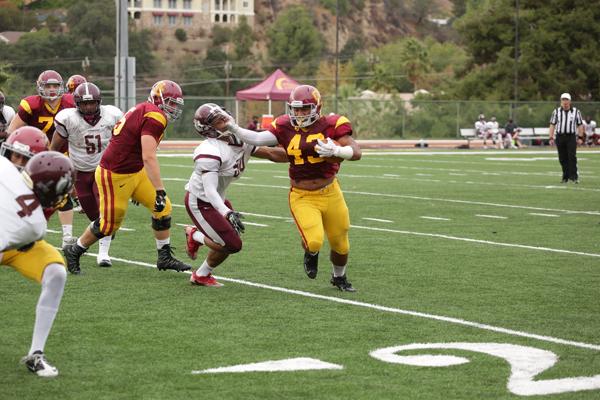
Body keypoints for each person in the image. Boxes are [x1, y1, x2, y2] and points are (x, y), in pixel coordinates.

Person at [217, 84, 362, 292]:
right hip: (302, 195)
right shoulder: (284, 126)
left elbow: (357, 152)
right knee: (313, 242)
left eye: (305, 109)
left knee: (341, 243)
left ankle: (339, 277)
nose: (300, 114)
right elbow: (258, 139)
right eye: (296, 109)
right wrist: (232, 128)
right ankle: (311, 253)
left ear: (317, 108)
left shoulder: (332, 123)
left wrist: (339, 150)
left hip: (331, 191)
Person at [62, 80, 191, 274]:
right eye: (170, 102)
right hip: (115, 174)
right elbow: (148, 155)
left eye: (175, 104)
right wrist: (159, 189)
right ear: (159, 98)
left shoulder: (146, 109)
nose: (173, 108)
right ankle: (75, 250)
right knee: (109, 224)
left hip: (134, 171)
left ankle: (164, 256)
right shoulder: (154, 116)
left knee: (163, 209)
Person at [184, 104, 288, 287]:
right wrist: (226, 212)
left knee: (231, 239)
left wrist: (303, 153)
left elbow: (271, 153)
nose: (225, 119)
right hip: (201, 202)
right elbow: (209, 191)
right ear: (210, 130)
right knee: (232, 244)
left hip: (219, 200)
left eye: (224, 114)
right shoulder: (209, 150)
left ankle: (201, 275)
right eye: (218, 120)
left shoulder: (239, 137)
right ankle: (195, 235)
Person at [1, 150, 75, 377]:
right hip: (11, 236)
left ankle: (36, 353)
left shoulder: (4, 166)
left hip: (13, 241)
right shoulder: (34, 224)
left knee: (55, 272)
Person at [50, 82, 123, 267]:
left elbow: (123, 142)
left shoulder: (112, 115)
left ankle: (104, 254)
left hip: (103, 170)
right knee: (93, 215)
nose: (89, 107)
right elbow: (55, 146)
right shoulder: (68, 119)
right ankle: (103, 236)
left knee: (104, 213)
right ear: (77, 104)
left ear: (99, 102)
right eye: (84, 104)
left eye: (92, 103)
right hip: (80, 173)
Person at [7, 70, 77, 248]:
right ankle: (17, 231)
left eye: (55, 86)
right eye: (48, 86)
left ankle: (68, 237)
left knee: (62, 194)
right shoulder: (31, 104)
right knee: (26, 193)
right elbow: (12, 131)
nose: (52, 90)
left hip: (62, 154)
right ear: (40, 87)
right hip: (35, 155)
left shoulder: (70, 103)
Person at [549, 92, 583, 183]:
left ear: (570, 101)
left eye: (566, 99)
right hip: (560, 137)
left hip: (571, 137)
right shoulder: (556, 111)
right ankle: (565, 176)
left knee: (572, 156)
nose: (565, 102)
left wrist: (580, 137)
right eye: (563, 99)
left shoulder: (576, 111)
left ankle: (574, 177)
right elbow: (552, 125)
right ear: (561, 101)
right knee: (562, 158)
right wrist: (551, 138)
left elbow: (580, 125)